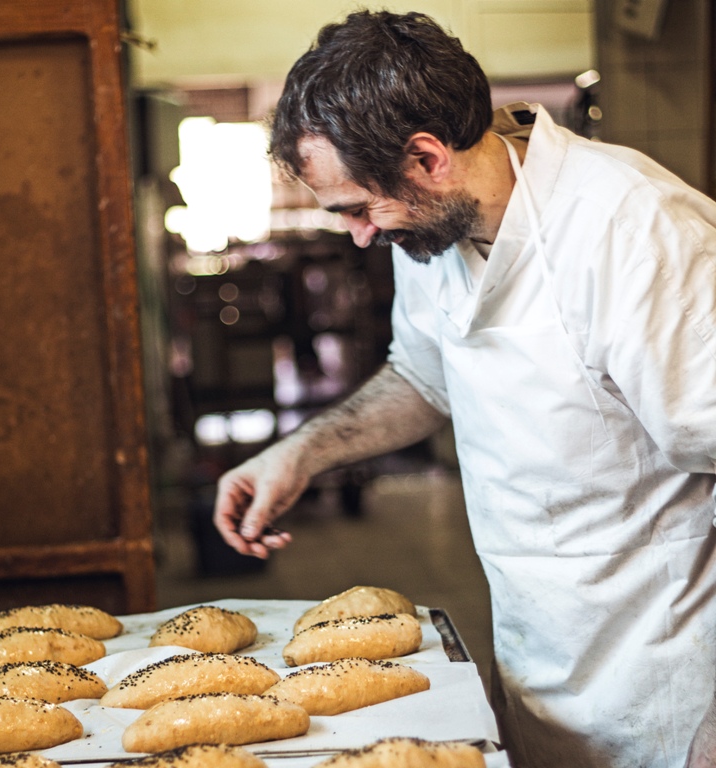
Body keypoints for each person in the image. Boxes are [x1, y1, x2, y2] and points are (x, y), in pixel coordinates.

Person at [213, 10, 716, 768]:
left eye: (356, 207)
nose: (357, 235)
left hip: (674, 680)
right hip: (535, 658)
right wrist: (303, 453)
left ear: (426, 156)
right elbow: (425, 375)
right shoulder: (428, 236)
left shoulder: (635, 228)